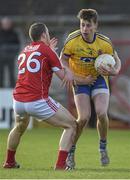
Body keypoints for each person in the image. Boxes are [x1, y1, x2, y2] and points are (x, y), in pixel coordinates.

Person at [3, 22, 77, 170]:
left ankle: (9, 162)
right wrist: (68, 70)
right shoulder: (47, 51)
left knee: (18, 127)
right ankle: (60, 164)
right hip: (37, 100)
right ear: (44, 35)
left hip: (18, 100)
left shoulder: (25, 50)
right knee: (71, 125)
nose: (49, 35)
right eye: (48, 33)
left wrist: (50, 52)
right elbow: (64, 77)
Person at [60, 8, 121, 169]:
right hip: (80, 81)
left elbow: (117, 59)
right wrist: (75, 77)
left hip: (99, 78)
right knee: (84, 117)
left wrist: (115, 71)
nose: (84, 29)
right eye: (82, 25)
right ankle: (71, 152)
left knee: (101, 112)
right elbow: (62, 60)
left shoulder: (104, 42)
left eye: (88, 25)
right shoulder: (72, 40)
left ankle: (102, 146)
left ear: (96, 26)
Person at [0, 17, 20, 88]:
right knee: (0, 74)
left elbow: (18, 45)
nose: (6, 25)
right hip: (1, 58)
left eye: (7, 23)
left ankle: (13, 88)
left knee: (12, 74)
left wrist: (13, 53)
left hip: (11, 57)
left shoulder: (14, 34)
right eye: (4, 23)